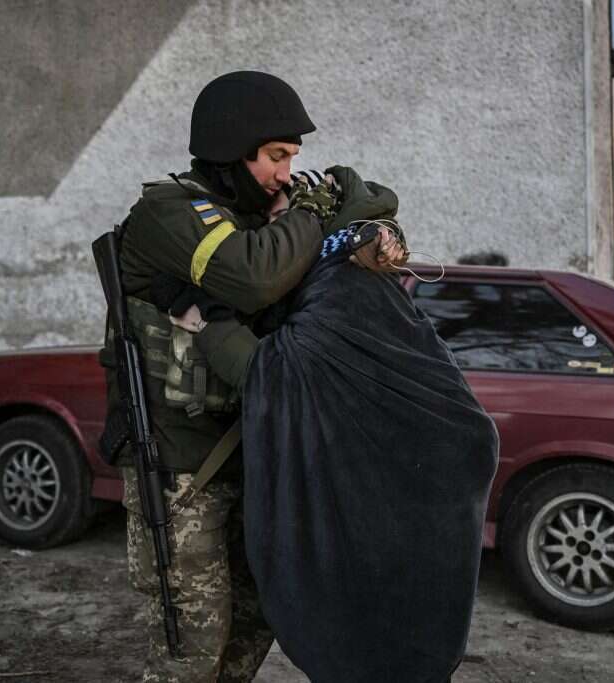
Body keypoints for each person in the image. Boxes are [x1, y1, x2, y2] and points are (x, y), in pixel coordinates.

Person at [105, 70, 406, 683]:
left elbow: (368, 202)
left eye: (293, 159)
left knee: (256, 618)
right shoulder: (170, 210)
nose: (286, 174)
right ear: (230, 148)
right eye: (275, 157)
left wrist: (368, 225)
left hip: (253, 454)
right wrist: (309, 213)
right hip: (179, 468)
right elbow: (252, 278)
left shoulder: (262, 217)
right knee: (192, 643)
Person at [165, 184, 498, 682]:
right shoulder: (362, 278)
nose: (272, 235)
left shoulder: (338, 287)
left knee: (372, 636)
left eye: (284, 221)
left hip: (402, 501)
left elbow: (270, 371)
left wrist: (208, 320)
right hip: (417, 500)